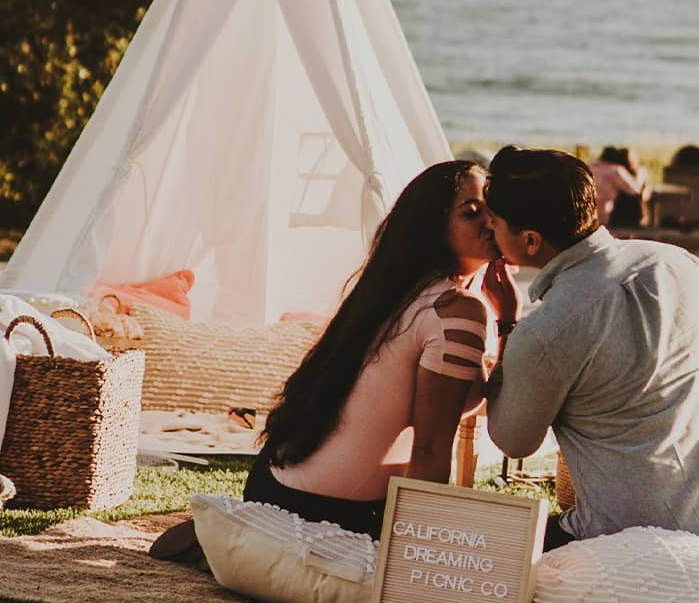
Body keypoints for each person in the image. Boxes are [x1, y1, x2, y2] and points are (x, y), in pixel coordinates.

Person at [150, 159, 507, 560]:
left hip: (273, 482)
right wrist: (422, 554)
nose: (490, 223)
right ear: (433, 228)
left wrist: (506, 317)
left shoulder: (391, 292)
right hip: (333, 512)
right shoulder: (454, 309)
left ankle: (234, 534)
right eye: (471, 213)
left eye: (492, 210)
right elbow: (429, 449)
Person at [480, 146, 699, 552]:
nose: (490, 234)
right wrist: (662, 417)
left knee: (483, 552)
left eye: (495, 225)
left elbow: (513, 441)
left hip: (625, 546)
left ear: (531, 240)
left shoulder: (546, 332)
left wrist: (506, 322)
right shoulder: (679, 262)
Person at [589, 145, 647, 227]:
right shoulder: (615, 170)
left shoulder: (590, 165)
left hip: (588, 213)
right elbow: (634, 189)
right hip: (604, 215)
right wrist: (641, 173)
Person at [607, 146, 650, 228]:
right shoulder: (621, 173)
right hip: (631, 219)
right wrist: (642, 175)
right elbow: (640, 193)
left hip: (617, 218)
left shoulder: (616, 171)